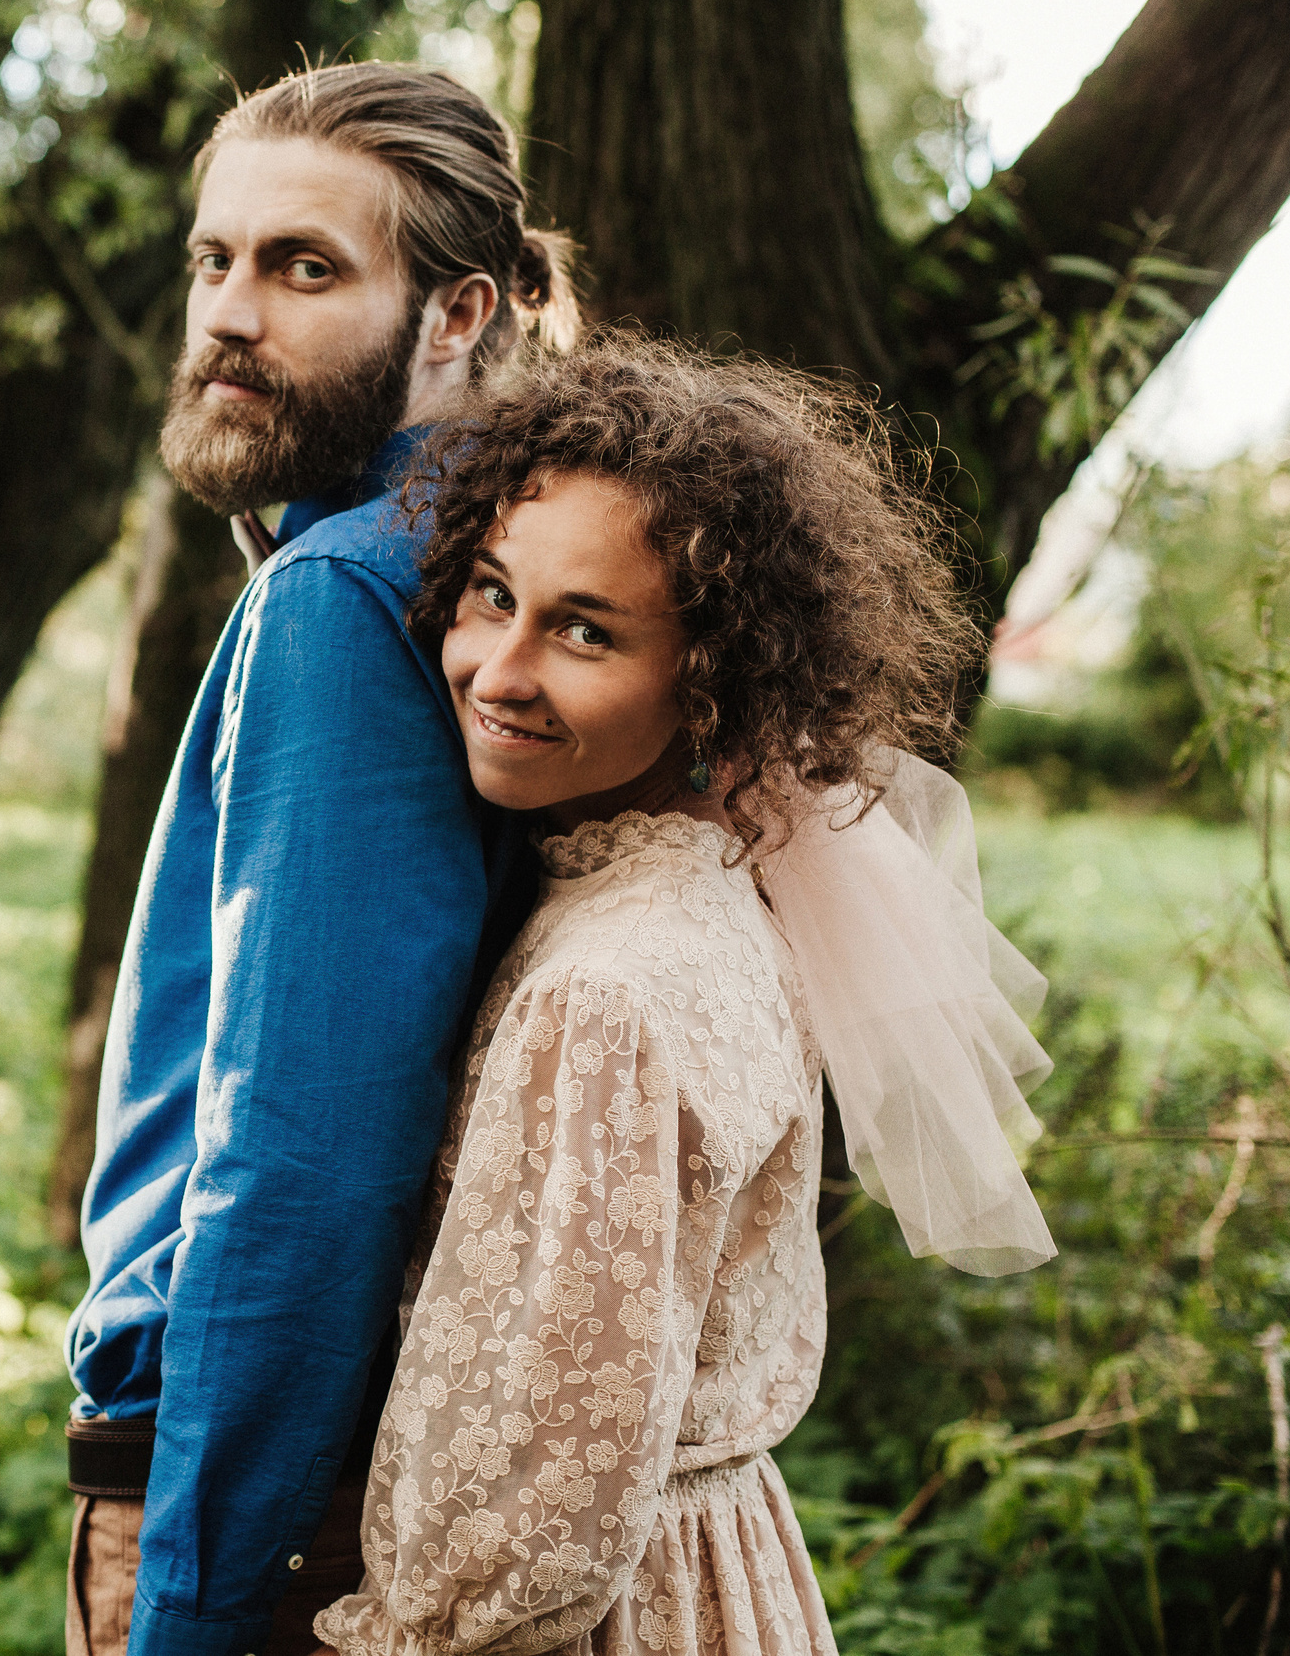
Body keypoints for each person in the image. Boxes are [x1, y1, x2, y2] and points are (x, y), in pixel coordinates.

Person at [312, 335, 1058, 1656]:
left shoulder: (611, 989)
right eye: (492, 594)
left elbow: (528, 1526)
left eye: (585, 630)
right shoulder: (715, 898)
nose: (498, 669)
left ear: (711, 681)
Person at [63, 62, 576, 1656]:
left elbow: (303, 1154)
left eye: (305, 268)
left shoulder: (352, 600)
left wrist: (198, 1599)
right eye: (214, 260)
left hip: (229, 1477)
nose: (228, 315)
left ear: (454, 312)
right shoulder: (496, 561)